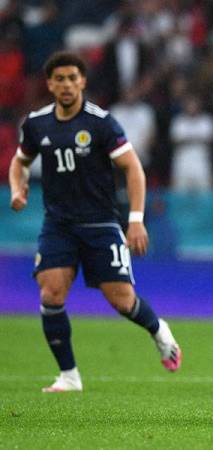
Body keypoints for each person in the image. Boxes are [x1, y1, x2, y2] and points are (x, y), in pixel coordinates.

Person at [8, 51, 182, 393]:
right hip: (58, 224)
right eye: (60, 79)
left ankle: (158, 329)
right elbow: (19, 161)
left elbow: (133, 168)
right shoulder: (36, 124)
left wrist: (135, 220)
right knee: (51, 292)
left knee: (121, 300)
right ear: (50, 84)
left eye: (73, 78)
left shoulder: (100, 123)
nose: (67, 85)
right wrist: (18, 187)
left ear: (83, 81)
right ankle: (69, 375)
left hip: (101, 224)